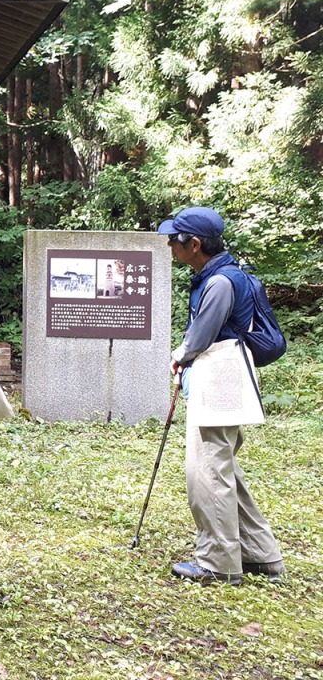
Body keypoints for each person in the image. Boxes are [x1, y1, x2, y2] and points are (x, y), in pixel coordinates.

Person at [157, 206, 285, 585]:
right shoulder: (227, 275)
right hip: (230, 375)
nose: (170, 245)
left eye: (175, 240)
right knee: (224, 466)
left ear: (195, 244)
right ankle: (260, 553)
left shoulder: (220, 283)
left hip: (220, 376)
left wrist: (179, 355)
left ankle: (218, 563)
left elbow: (201, 336)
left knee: (208, 471)